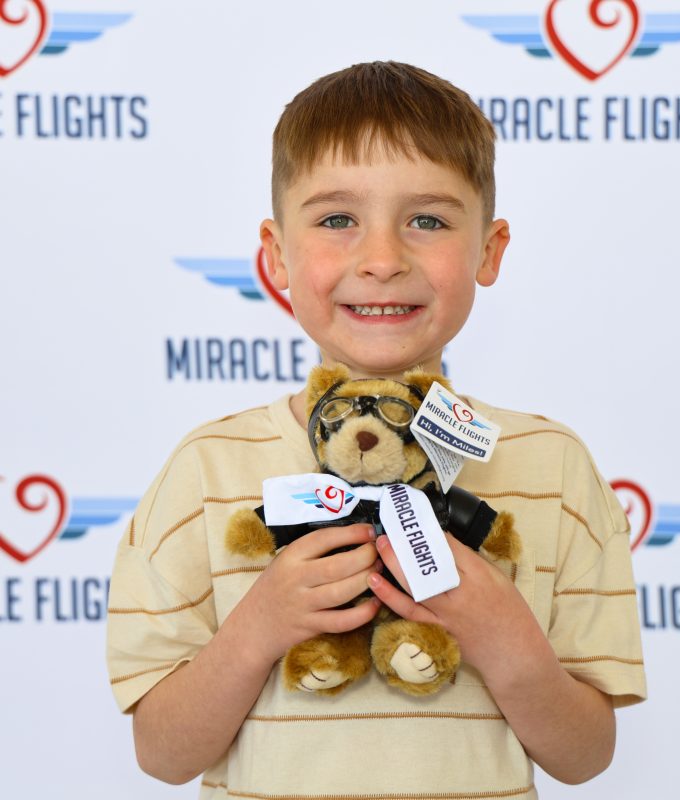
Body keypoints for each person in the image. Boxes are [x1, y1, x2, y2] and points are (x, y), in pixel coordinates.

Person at [106, 61, 646, 798]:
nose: (384, 260)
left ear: (489, 250)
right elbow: (163, 754)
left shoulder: (553, 466)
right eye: (337, 220)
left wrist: (507, 641)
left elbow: (584, 757)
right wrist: (259, 628)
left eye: (428, 220)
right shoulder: (207, 468)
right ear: (276, 254)